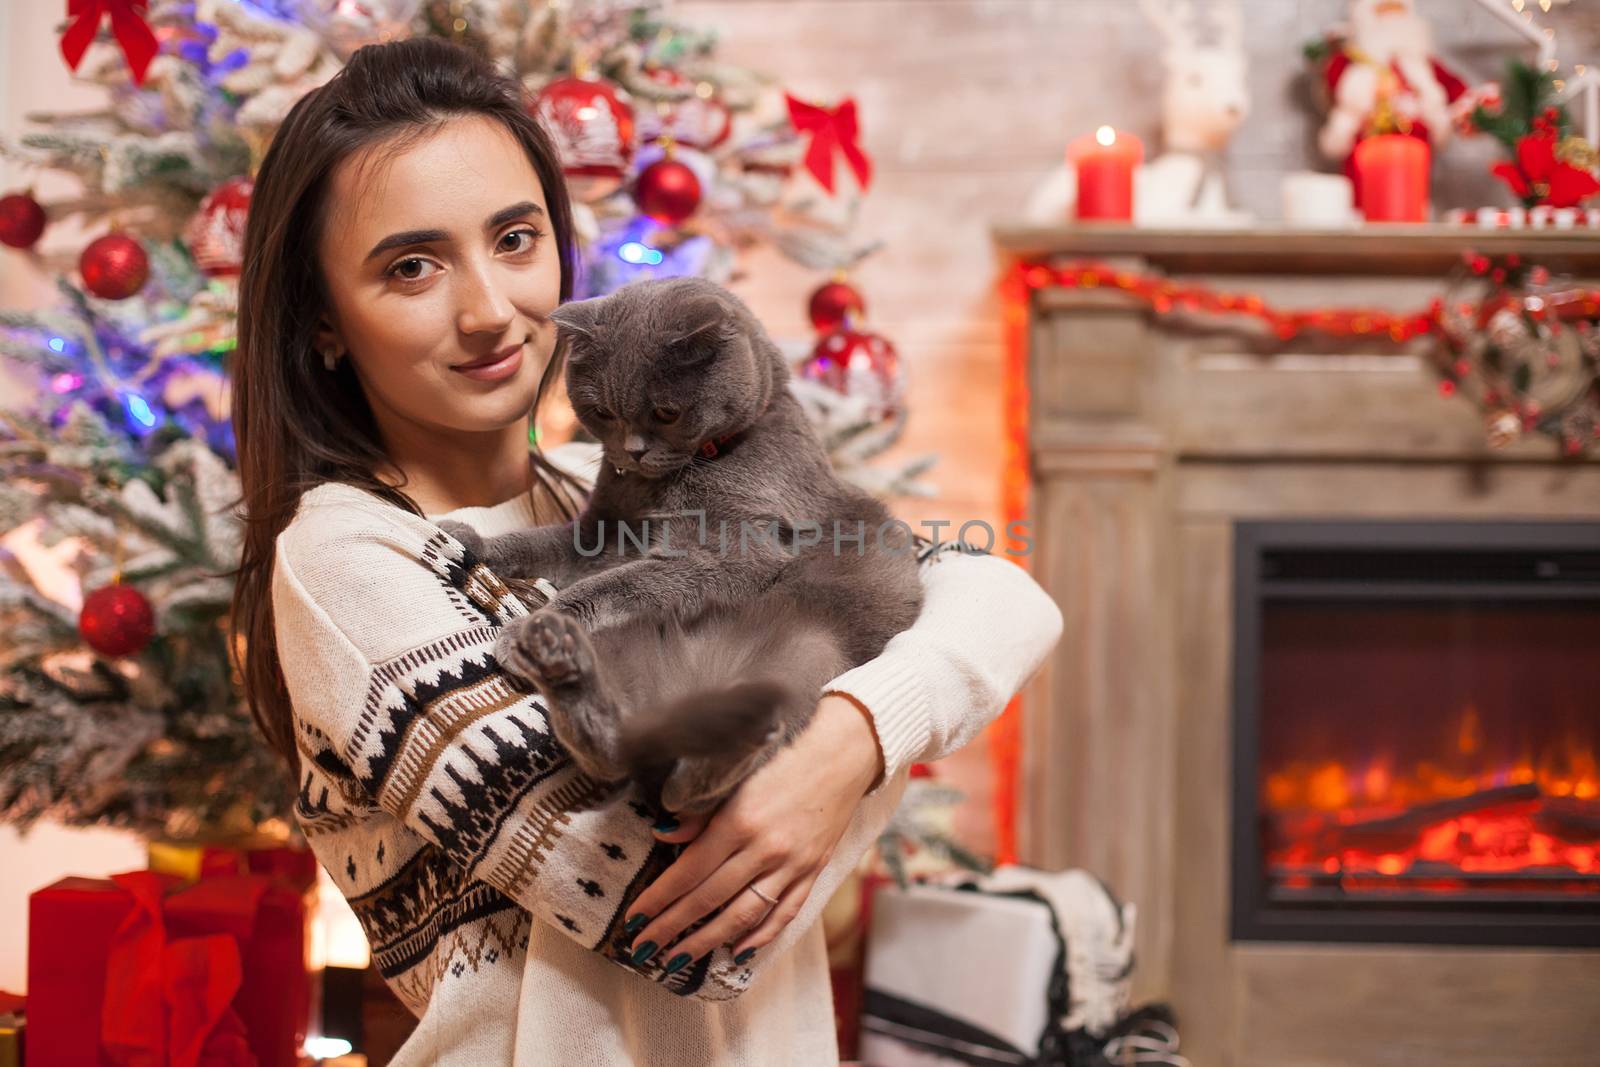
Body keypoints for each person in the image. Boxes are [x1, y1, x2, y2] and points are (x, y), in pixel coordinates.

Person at [230, 36, 1063, 1066]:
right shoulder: (349, 561)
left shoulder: (605, 492)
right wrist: (876, 735)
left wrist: (853, 732)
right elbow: (673, 917)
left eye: (516, 238)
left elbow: (1005, 591)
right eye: (411, 265)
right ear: (323, 320)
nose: (489, 309)